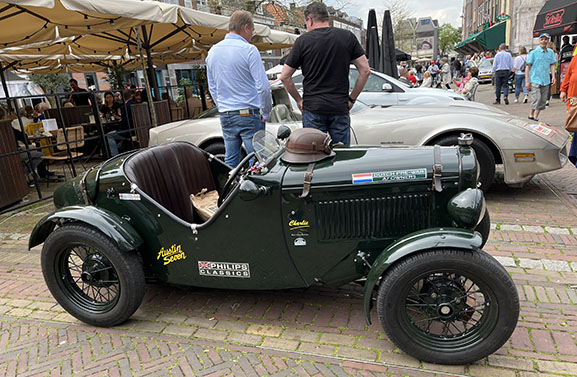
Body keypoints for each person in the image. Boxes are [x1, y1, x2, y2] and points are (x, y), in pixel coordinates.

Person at [280, 2, 369, 146]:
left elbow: (285, 77)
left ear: (309, 20)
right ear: (326, 18)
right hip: (339, 107)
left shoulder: (302, 41)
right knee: (340, 157)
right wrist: (352, 99)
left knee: (314, 157)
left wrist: (299, 100)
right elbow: (365, 70)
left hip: (313, 108)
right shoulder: (347, 37)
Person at [206, 10, 272, 167]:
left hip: (226, 114)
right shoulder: (249, 50)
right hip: (248, 113)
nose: (252, 34)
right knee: (257, 161)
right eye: (252, 30)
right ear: (246, 27)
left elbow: (212, 87)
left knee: (231, 160)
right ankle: (254, 191)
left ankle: (231, 189)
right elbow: (263, 87)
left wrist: (222, 106)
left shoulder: (213, 51)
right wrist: (266, 111)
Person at [525, 33, 557, 121]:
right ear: (539, 41)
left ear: (548, 41)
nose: (544, 41)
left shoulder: (550, 52)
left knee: (543, 101)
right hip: (535, 79)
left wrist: (553, 76)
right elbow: (527, 68)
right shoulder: (533, 53)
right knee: (537, 99)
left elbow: (552, 65)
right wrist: (527, 81)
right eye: (542, 39)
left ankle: (535, 117)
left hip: (546, 79)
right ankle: (531, 114)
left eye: (546, 39)